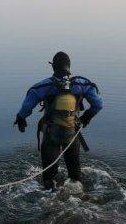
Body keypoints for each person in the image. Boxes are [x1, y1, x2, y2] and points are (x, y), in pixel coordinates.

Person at [13, 52, 103, 190]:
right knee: (74, 174)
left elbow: (26, 107)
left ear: (53, 67)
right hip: (72, 134)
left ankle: (50, 199)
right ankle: (78, 196)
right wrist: (86, 118)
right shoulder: (83, 84)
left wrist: (20, 118)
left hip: (51, 135)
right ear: (69, 66)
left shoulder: (42, 86)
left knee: (49, 178)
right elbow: (98, 105)